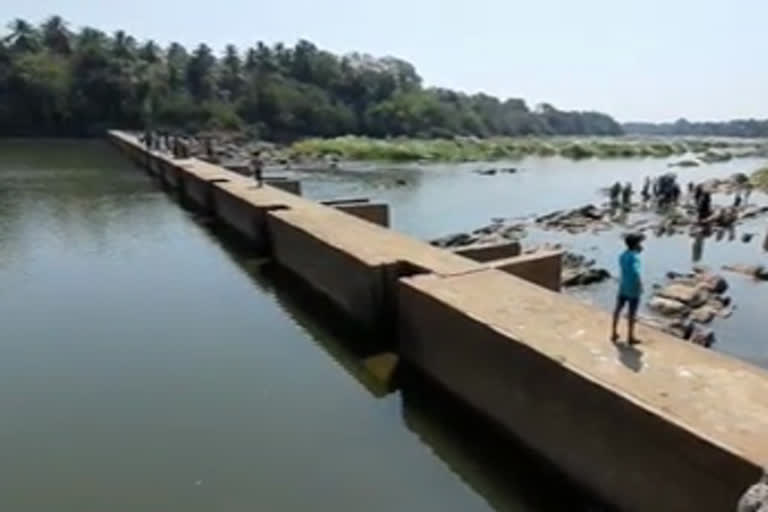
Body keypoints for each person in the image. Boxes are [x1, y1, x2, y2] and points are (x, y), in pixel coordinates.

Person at [611, 233, 644, 345]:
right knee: (632, 313)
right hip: (633, 289)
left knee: (618, 309)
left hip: (623, 286)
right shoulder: (635, 257)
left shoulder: (622, 255)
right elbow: (636, 272)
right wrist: (640, 284)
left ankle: (614, 332)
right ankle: (630, 337)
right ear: (636, 245)